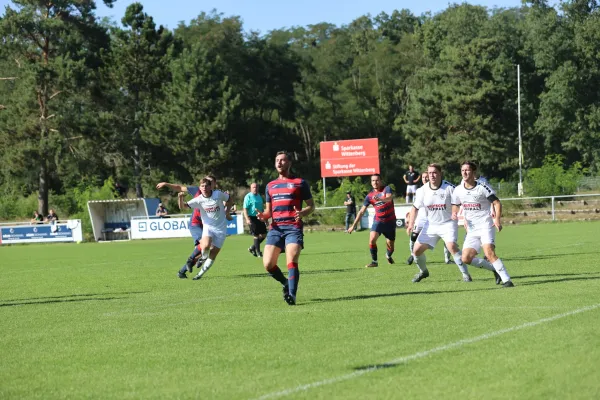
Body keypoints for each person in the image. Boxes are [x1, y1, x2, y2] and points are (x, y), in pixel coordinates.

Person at [256, 151, 315, 306]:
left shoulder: (300, 183)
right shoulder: (270, 186)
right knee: (268, 264)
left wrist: (303, 212)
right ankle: (285, 283)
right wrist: (264, 216)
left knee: (292, 260)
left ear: (289, 163)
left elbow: (311, 205)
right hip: (275, 229)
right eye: (277, 160)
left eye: (282, 160)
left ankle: (292, 295)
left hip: (293, 228)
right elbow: (269, 211)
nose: (279, 163)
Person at [406, 163, 472, 283]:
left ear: (440, 174)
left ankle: (466, 275)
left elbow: (463, 204)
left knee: (452, 246)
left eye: (435, 172)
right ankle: (423, 272)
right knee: (416, 251)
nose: (432, 175)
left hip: (448, 223)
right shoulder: (422, 190)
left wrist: (465, 219)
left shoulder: (450, 188)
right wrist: (411, 224)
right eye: (430, 173)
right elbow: (414, 208)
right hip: (431, 225)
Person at [451, 161, 514, 287]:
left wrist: (497, 219)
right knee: (466, 258)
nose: (464, 172)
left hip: (486, 225)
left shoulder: (482, 187)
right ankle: (494, 269)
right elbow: (455, 205)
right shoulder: (458, 190)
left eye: (467, 170)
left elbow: (496, 203)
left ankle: (507, 280)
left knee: (489, 253)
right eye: (462, 170)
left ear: (473, 172)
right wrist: (454, 213)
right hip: (472, 229)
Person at [183, 178, 233, 280]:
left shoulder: (218, 194)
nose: (204, 188)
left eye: (206, 186)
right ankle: (200, 258)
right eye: (202, 186)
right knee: (205, 245)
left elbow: (229, 199)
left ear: (210, 186)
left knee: (213, 254)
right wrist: (180, 198)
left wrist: (227, 212)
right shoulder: (199, 199)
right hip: (208, 227)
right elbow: (184, 206)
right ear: (200, 188)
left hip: (221, 229)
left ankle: (199, 275)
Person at [156, 179, 207, 277]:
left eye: (209, 184)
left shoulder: (215, 195)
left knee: (204, 250)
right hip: (195, 223)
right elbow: (179, 188)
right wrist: (166, 184)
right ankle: (190, 260)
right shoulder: (197, 190)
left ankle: (182, 271)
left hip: (206, 226)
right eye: (204, 185)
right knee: (203, 245)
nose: (205, 186)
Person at [347, 174, 396, 268]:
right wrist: (353, 225)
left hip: (390, 221)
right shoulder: (369, 196)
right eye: (373, 181)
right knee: (372, 239)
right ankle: (374, 261)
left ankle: (388, 255)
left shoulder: (387, 189)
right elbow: (361, 211)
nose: (375, 182)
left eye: (377, 180)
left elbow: (389, 199)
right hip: (378, 221)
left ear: (380, 181)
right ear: (371, 182)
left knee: (391, 246)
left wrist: (381, 198)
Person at [405, 172, 452, 265]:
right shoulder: (419, 190)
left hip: (434, 217)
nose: (425, 179)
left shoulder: (439, 188)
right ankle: (412, 254)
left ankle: (447, 258)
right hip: (422, 217)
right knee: (414, 236)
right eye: (423, 177)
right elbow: (415, 206)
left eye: (427, 177)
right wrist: (411, 220)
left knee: (448, 239)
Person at [243, 182, 267, 257]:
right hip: (252, 217)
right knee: (256, 235)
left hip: (259, 217)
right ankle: (258, 252)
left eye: (256, 187)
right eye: (253, 187)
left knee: (264, 234)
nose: (255, 189)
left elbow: (262, 208)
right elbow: (245, 209)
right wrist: (247, 219)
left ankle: (252, 248)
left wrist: (265, 218)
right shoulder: (248, 197)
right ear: (250, 188)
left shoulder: (259, 196)